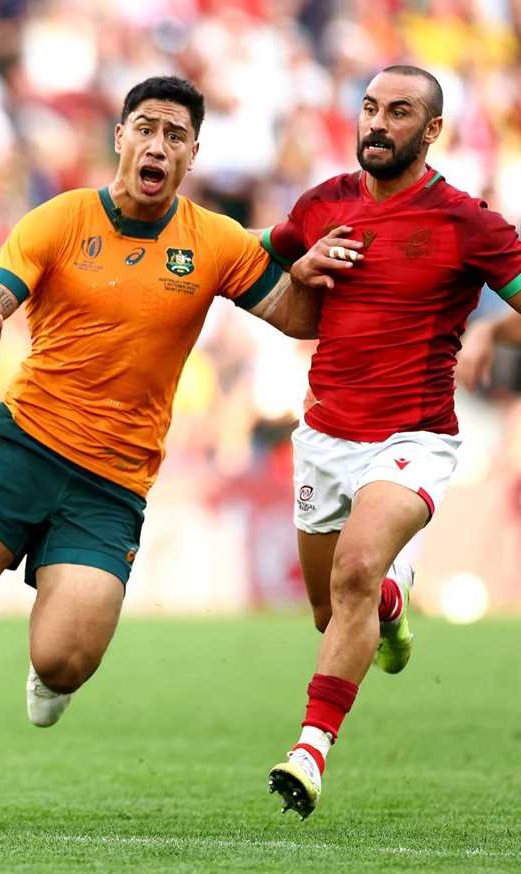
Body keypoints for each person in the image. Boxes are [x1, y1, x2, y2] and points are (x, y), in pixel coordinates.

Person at [0, 75, 328, 829]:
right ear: (119, 136)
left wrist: (314, 255)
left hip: (112, 483)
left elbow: (300, 315)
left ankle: (53, 672)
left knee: (64, 661)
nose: (157, 145)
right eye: (145, 127)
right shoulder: (64, 217)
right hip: (20, 445)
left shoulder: (215, 242)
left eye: (175, 135)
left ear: (193, 153)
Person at [258, 65, 521, 819]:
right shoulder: (322, 204)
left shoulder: (468, 223)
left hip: (414, 438)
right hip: (324, 437)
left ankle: (309, 751)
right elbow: (259, 260)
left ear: (431, 131)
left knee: (357, 568)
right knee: (335, 609)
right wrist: (298, 267)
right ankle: (393, 608)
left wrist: (497, 330)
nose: (377, 123)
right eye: (370, 108)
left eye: (398, 112)